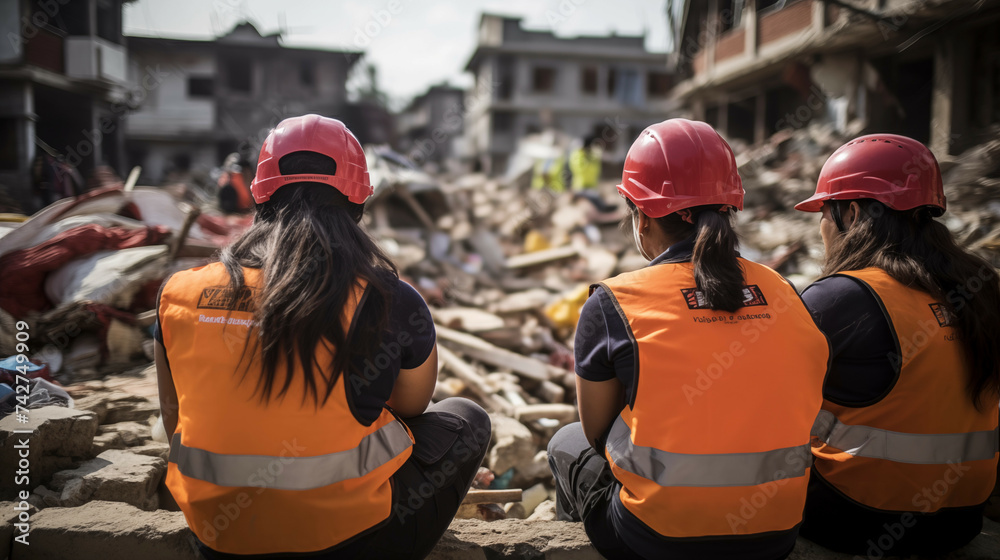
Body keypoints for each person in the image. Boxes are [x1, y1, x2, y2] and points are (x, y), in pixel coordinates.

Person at [155, 115, 491, 560]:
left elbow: (174, 416)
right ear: (359, 200)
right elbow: (411, 406)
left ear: (260, 194)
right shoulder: (388, 298)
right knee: (466, 416)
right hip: (347, 542)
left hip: (218, 539)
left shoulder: (179, 293)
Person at [548, 118, 830, 560]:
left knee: (565, 442)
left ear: (641, 216)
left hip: (655, 538)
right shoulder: (787, 292)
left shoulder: (613, 303)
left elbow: (598, 433)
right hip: (775, 534)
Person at [795, 134, 1000, 556]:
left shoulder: (842, 296)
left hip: (856, 517)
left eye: (823, 214)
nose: (821, 229)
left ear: (850, 213)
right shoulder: (983, 289)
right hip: (961, 519)